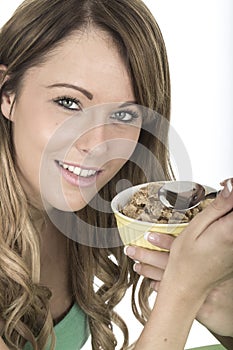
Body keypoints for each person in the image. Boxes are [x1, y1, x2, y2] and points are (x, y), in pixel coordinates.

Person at [0, 0, 232, 349]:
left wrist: (217, 293)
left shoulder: (77, 212)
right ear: (7, 93)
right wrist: (184, 290)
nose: (97, 144)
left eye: (123, 116)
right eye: (69, 103)